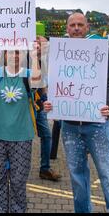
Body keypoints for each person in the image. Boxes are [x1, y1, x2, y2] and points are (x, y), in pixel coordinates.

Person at [44, 13, 109, 213]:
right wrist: (50, 103)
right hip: (70, 127)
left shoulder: (100, 52)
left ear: (87, 27)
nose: (77, 28)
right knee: (77, 178)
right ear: (67, 28)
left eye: (81, 24)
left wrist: (107, 104)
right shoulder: (57, 53)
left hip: (97, 125)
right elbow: (53, 86)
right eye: (73, 25)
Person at [0, 49, 41, 213]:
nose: (15, 55)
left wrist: (35, 56)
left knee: (18, 180)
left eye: (19, 52)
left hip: (22, 137)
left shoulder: (28, 73)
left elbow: (37, 81)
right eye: (11, 52)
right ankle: (1, 212)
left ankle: (18, 212)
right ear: (4, 55)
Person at [34, 36, 61, 181]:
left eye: (42, 45)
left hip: (39, 105)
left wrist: (46, 100)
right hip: (26, 106)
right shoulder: (24, 60)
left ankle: (44, 168)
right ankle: (11, 167)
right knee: (22, 139)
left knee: (46, 135)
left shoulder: (44, 61)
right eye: (37, 44)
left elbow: (44, 84)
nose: (39, 47)